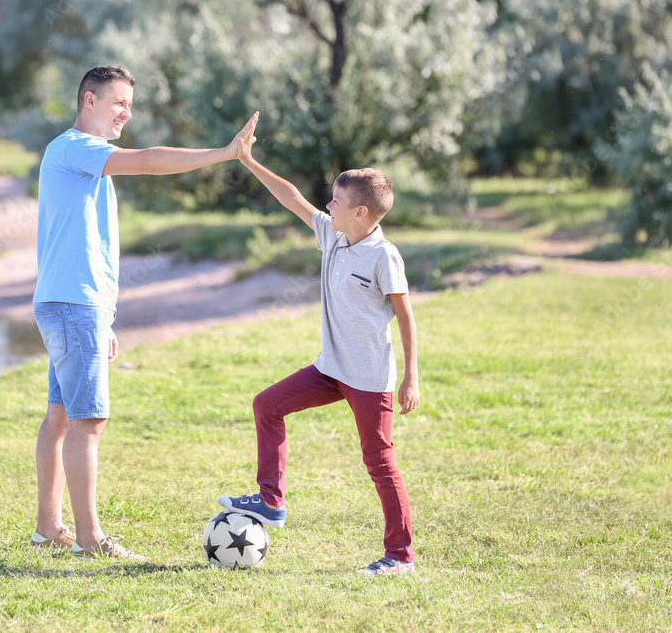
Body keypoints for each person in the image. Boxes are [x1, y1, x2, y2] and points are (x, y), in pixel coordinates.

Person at [29, 65, 259, 561]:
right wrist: (224, 152)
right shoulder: (77, 149)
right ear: (88, 100)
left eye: (130, 106)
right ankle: (89, 540)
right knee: (88, 422)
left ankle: (49, 528)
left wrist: (105, 318)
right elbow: (152, 161)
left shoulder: (75, 157)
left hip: (72, 303)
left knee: (61, 416)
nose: (126, 114)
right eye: (118, 104)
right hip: (73, 305)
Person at [218, 113, 421, 576]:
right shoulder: (333, 234)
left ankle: (400, 556)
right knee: (266, 405)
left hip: (369, 378)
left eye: (336, 200)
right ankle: (271, 501)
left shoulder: (383, 256)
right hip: (330, 368)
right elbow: (292, 197)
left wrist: (410, 377)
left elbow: (406, 316)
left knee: (380, 464)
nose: (328, 205)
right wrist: (249, 161)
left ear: (361, 213)